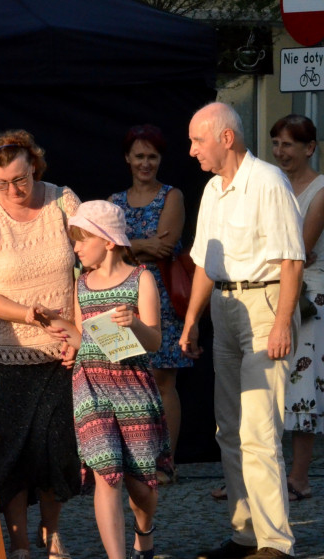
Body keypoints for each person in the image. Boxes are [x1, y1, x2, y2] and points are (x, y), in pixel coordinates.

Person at [183, 102, 303, 559]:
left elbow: (291, 259)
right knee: (228, 427)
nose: (192, 150)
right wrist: (192, 319)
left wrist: (281, 323)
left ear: (225, 138)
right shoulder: (214, 189)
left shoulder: (268, 182)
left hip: (265, 304)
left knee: (258, 428)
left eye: (198, 140)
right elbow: (203, 262)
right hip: (225, 307)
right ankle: (247, 531)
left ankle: (278, 542)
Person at [0, 129, 81, 559]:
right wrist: (30, 314)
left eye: (20, 179)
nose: (13, 190)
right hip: (3, 349)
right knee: (8, 450)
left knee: (56, 447)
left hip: (59, 350)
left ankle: (52, 535)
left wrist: (78, 335)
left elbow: (87, 269)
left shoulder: (63, 201)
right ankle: (19, 543)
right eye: (1, 183)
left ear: (35, 166)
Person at [29, 201, 166, 559]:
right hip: (90, 385)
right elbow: (81, 335)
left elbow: (154, 341)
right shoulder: (82, 284)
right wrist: (54, 325)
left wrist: (135, 322)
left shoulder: (141, 279)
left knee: (141, 484)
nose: (76, 248)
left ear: (107, 241)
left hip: (133, 385)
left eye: (81, 238)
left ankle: (144, 529)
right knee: (107, 474)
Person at [109, 124, 188, 485]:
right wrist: (142, 245)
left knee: (163, 379)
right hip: (124, 295)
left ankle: (165, 461)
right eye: (139, 155)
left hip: (163, 295)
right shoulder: (114, 201)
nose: (145, 163)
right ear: (127, 158)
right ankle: (134, 458)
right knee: (129, 378)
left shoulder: (172, 196)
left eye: (152, 156)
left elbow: (166, 247)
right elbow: (112, 247)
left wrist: (129, 244)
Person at [274, 114, 324, 503]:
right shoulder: (273, 185)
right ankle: (262, 478)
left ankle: (299, 476)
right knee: (270, 383)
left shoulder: (321, 189)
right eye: (276, 144)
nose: (280, 151)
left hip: (310, 295)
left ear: (310, 148)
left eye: (288, 144)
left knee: (302, 382)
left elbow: (302, 250)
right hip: (274, 287)